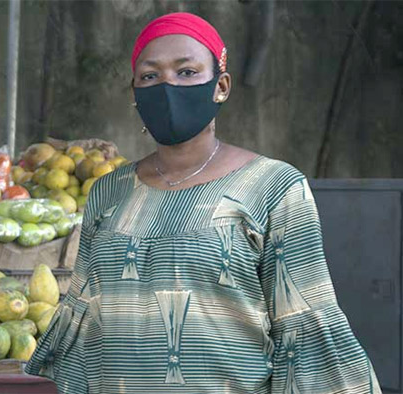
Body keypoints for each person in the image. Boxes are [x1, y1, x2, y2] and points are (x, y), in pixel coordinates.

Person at [26, 12, 381, 393]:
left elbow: (304, 327)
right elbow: (87, 329)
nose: (167, 86)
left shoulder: (274, 188)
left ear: (221, 86)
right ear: (135, 93)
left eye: (186, 72)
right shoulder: (108, 192)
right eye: (150, 76)